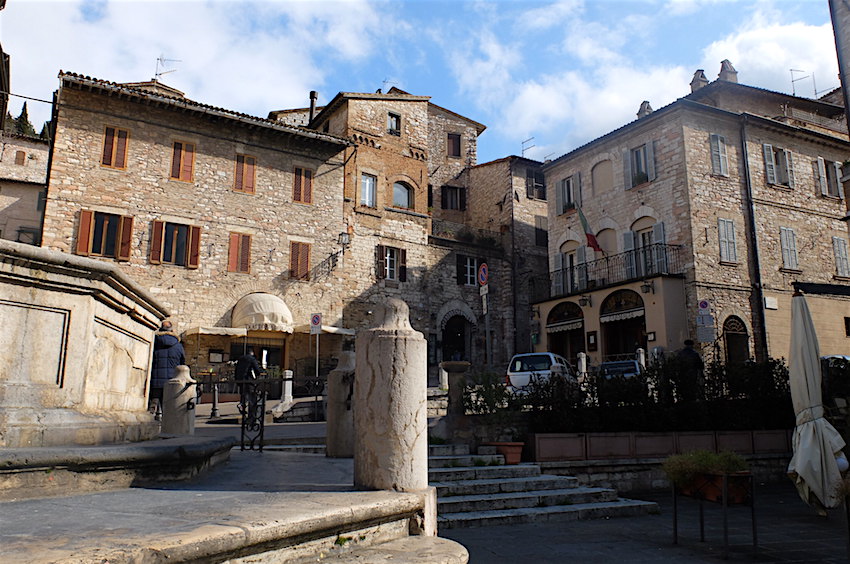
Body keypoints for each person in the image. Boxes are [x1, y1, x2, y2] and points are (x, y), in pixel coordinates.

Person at [150, 319, 185, 420]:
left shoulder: (155, 342)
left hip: (155, 378)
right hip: (171, 379)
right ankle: (167, 424)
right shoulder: (178, 346)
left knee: (154, 400)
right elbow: (182, 363)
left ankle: (152, 416)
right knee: (168, 404)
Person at [235, 348, 262, 416]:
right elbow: (257, 369)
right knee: (251, 394)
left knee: (243, 393)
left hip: (240, 379)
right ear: (252, 353)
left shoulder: (240, 359)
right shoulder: (252, 359)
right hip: (248, 379)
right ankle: (251, 412)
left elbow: (236, 369)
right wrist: (259, 373)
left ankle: (242, 405)